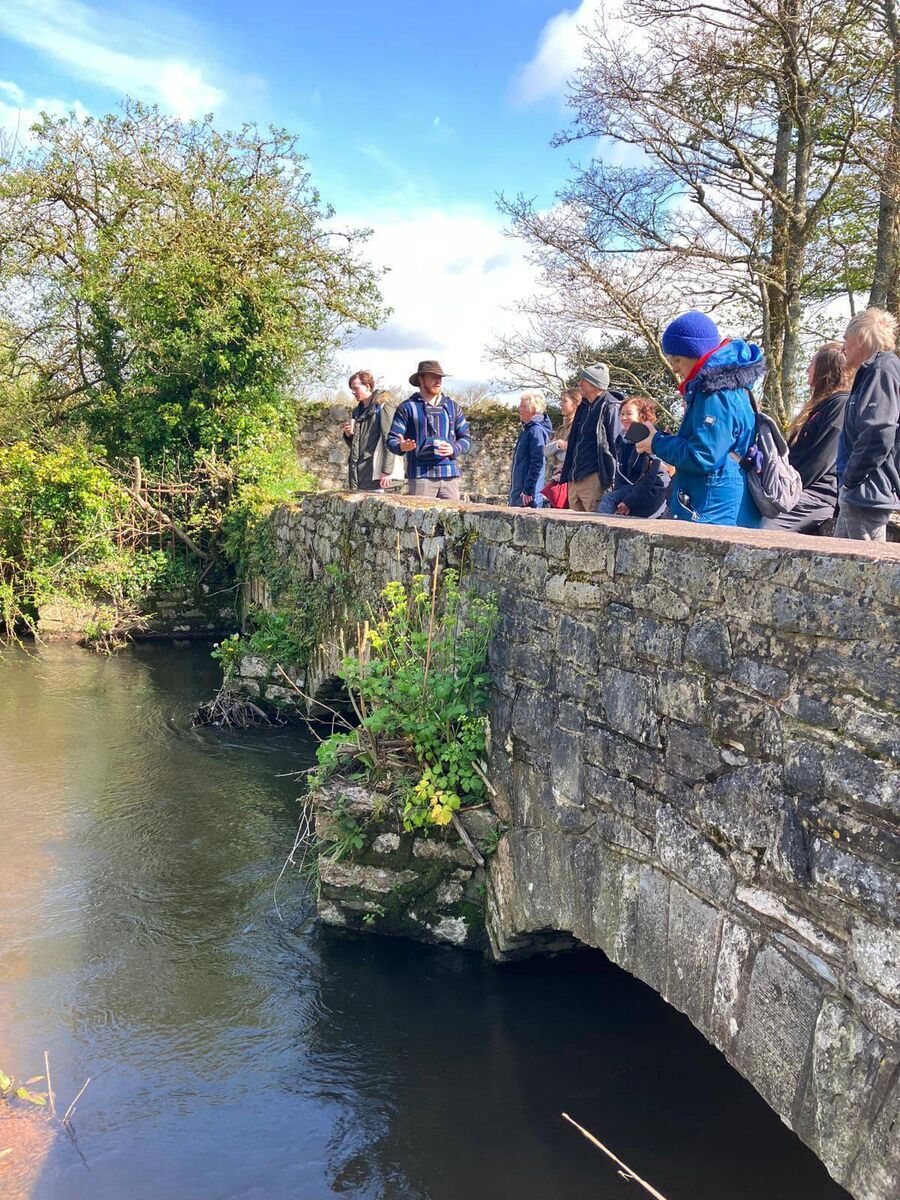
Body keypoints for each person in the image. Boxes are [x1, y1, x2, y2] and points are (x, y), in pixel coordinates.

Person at [635, 312, 763, 527]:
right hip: (718, 498)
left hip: (713, 505)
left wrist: (656, 441)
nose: (674, 368)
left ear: (694, 352)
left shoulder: (715, 393)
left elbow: (703, 456)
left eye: (676, 359)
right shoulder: (728, 388)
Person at [761, 343, 853, 533]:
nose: (807, 368)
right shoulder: (822, 406)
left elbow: (820, 461)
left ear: (825, 369)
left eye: (812, 363)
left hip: (815, 498)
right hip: (798, 491)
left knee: (757, 527)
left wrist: (784, 485)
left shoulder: (840, 405)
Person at [834, 307, 900, 542]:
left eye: (846, 339)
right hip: (860, 492)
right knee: (839, 568)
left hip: (867, 492)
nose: (843, 346)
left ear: (860, 339)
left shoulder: (881, 371)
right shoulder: (873, 371)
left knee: (864, 569)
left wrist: (851, 479)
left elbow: (878, 432)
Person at [386, 360, 471, 500]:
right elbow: (391, 440)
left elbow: (466, 438)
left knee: (453, 521)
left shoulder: (453, 407)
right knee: (417, 521)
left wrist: (454, 448)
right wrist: (401, 446)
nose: (438, 381)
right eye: (433, 377)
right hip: (420, 477)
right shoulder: (407, 407)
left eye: (440, 378)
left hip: (450, 476)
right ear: (421, 379)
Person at [559, 364, 625, 511]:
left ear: (595, 384)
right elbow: (575, 442)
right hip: (576, 479)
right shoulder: (583, 406)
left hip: (595, 479)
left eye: (584, 380)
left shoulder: (611, 407)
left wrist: (615, 480)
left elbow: (617, 446)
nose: (579, 383)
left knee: (594, 526)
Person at [597, 396, 669, 518]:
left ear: (642, 416)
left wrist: (628, 502)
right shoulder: (623, 439)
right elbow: (621, 473)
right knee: (610, 499)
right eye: (622, 414)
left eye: (629, 414)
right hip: (632, 490)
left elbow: (651, 478)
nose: (623, 418)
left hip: (652, 493)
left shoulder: (651, 438)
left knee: (608, 499)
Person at [342, 370, 402, 492]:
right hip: (361, 475)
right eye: (352, 389)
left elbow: (390, 439)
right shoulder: (357, 412)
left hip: (378, 477)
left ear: (368, 386)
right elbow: (357, 447)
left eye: (356, 388)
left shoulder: (384, 407)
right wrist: (349, 436)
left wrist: (386, 471)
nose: (353, 392)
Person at [508, 393, 552, 507]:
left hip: (526, 496)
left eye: (522, 406)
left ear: (532, 409)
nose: (519, 408)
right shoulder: (528, 430)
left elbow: (537, 461)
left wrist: (528, 490)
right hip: (520, 492)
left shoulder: (536, 430)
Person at [545, 388, 580, 481]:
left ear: (576, 404)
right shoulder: (561, 429)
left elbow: (571, 455)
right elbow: (546, 451)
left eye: (565, 401)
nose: (561, 404)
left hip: (572, 478)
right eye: (561, 401)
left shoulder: (579, 427)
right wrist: (559, 444)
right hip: (558, 477)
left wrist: (557, 449)